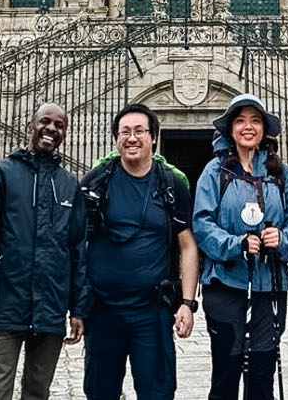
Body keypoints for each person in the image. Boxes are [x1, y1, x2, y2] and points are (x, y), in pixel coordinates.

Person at [0, 102, 89, 400]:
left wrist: (79, 309)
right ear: (30, 126)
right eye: (46, 122)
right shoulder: (2, 174)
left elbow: (77, 252)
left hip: (51, 308)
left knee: (37, 392)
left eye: (59, 125)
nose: (52, 129)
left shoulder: (69, 185)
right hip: (8, 303)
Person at [79, 103, 199, 400]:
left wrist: (187, 303)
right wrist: (77, 305)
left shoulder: (171, 183)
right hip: (103, 310)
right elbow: (74, 243)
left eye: (139, 131)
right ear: (117, 138)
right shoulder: (97, 181)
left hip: (152, 310)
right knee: (100, 391)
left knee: (157, 392)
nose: (132, 138)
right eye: (125, 132)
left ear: (153, 137)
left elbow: (187, 245)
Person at [193, 93, 288, 400]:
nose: (248, 127)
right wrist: (236, 244)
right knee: (226, 373)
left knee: (261, 373)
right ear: (230, 129)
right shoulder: (214, 172)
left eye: (255, 120)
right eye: (240, 120)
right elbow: (202, 224)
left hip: (270, 285)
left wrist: (282, 239)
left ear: (264, 128)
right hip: (226, 283)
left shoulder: (281, 173)